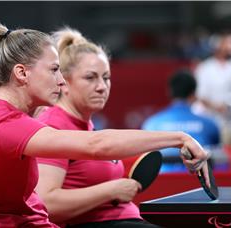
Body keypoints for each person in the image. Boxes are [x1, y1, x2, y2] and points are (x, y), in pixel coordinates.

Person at [0, 23, 210, 227]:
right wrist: (179, 137)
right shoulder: (10, 127)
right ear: (21, 73)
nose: (61, 81)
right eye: (54, 70)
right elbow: (97, 145)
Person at [34, 28, 159, 228]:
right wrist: (110, 190)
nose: (102, 86)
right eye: (90, 78)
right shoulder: (53, 126)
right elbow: (45, 203)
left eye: (106, 77)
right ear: (64, 83)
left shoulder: (88, 126)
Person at [142, 70, 223, 173]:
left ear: (169, 92)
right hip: (198, 181)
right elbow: (219, 162)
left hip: (162, 182)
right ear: (194, 93)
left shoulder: (152, 124)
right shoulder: (210, 124)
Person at [192, 32, 231, 145]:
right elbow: (199, 95)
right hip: (211, 119)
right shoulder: (205, 68)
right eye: (227, 45)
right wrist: (217, 106)